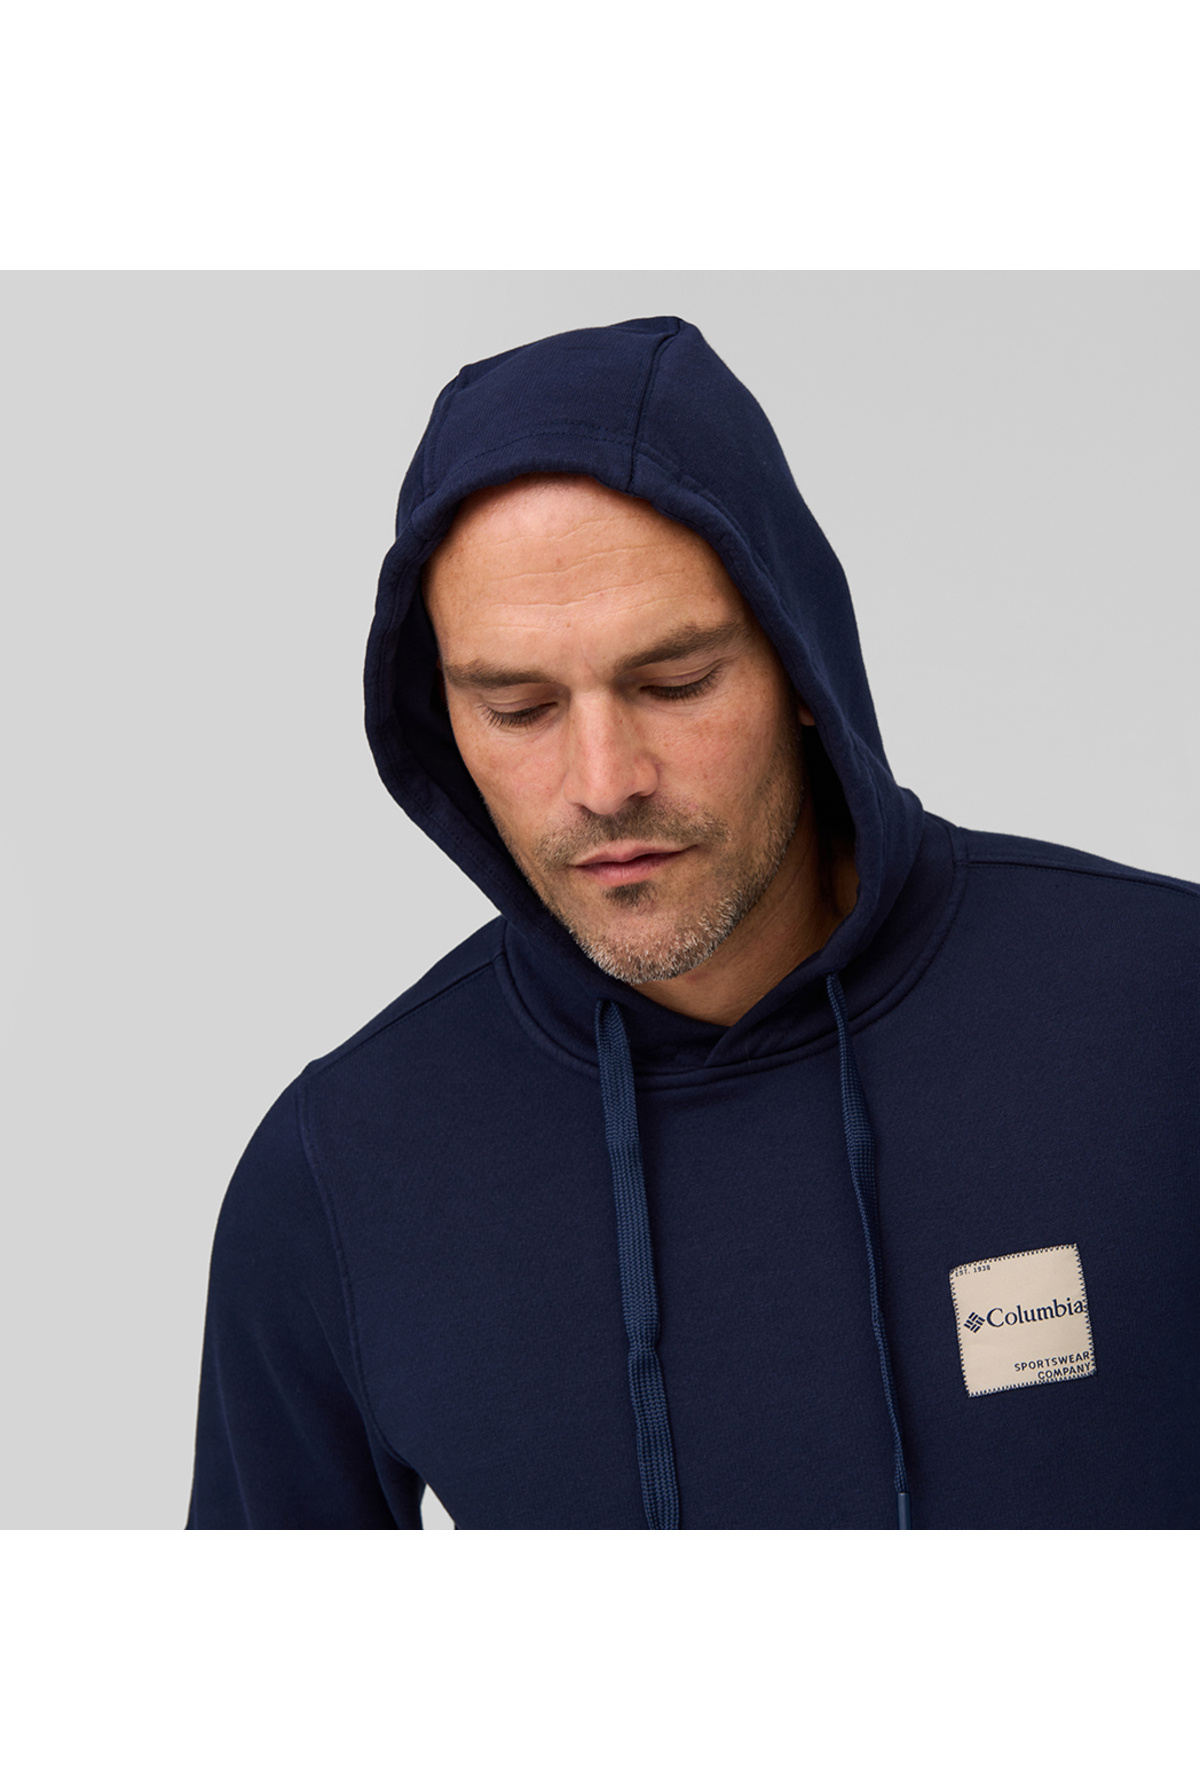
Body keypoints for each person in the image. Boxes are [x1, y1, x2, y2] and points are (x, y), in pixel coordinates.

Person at [187, 316, 1199, 1530]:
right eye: (518, 708)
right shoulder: (341, 1170)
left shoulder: (1162, 1010)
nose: (605, 781)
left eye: (674, 684)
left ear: (800, 665)